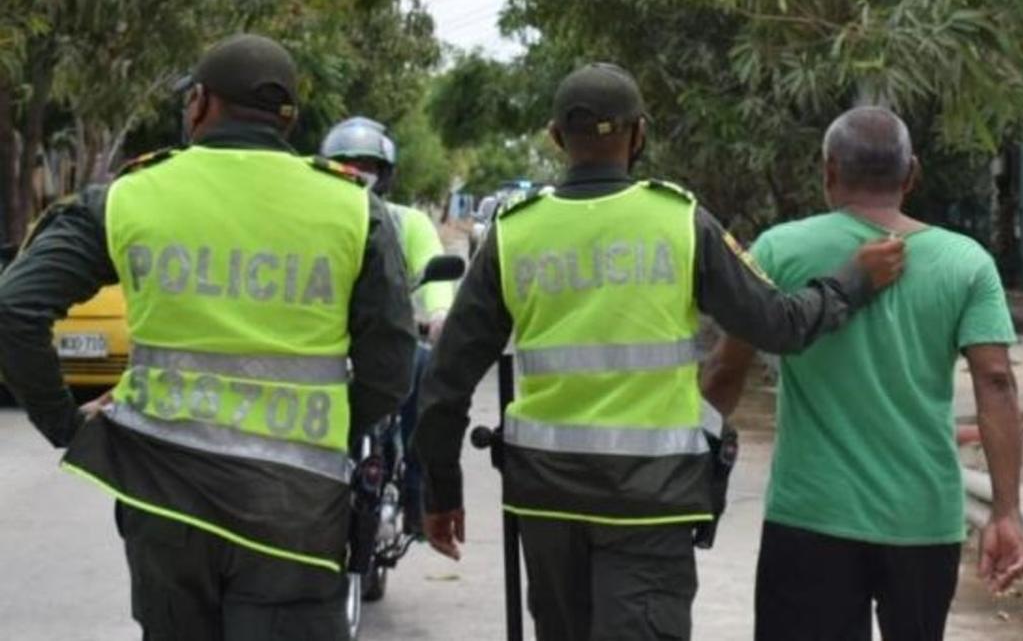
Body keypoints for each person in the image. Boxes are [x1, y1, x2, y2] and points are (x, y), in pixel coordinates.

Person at [412, 62, 905, 641]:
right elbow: (779, 326)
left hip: (547, 500)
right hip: (653, 501)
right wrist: (851, 279)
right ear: (638, 134)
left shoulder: (514, 232)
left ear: (554, 137)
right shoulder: (678, 220)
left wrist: (441, 492)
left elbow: (446, 379)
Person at [0, 33, 416, 641]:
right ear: (289, 119)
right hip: (295, 509)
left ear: (198, 103)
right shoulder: (353, 208)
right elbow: (391, 367)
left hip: (165, 507)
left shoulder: (130, 196)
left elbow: (14, 308)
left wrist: (66, 425)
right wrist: (334, 430)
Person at [702, 106, 1023, 641]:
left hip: (810, 515)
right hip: (922, 518)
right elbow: (996, 384)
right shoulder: (965, 262)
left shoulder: (781, 249)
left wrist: (686, 474)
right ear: (912, 174)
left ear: (829, 171)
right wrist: (1007, 512)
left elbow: (724, 372)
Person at [320, 116, 453, 535]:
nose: (358, 174)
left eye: (368, 165)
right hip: (329, 344)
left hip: (389, 340)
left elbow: (437, 274)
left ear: (387, 174)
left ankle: (417, 495)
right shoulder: (316, 219)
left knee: (418, 372)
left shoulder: (407, 222)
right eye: (346, 164)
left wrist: (437, 315)